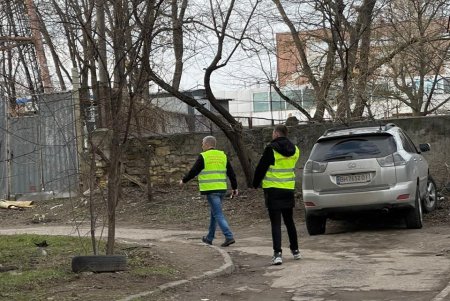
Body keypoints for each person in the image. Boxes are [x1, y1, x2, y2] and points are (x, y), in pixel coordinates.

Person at [253, 124, 301, 265]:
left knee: (276, 223)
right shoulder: (295, 150)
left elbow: (261, 168)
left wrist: (255, 184)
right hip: (288, 189)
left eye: (273, 133)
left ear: (276, 133)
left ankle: (278, 254)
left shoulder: (271, 149)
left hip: (273, 190)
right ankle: (296, 251)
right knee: (289, 221)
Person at [179, 135, 238, 247]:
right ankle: (209, 238)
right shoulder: (222, 155)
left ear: (207, 144)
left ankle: (229, 236)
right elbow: (231, 173)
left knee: (218, 214)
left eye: (202, 143)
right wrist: (235, 188)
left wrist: (183, 180)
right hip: (221, 189)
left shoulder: (204, 156)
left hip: (211, 190)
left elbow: (193, 171)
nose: (202, 146)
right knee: (214, 214)